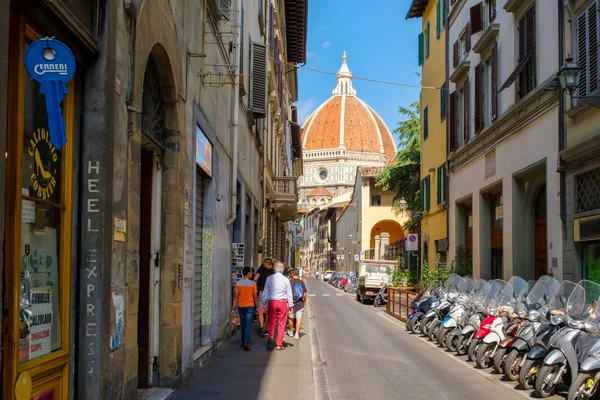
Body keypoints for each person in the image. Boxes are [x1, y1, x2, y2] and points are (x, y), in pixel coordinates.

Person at [260, 261, 293, 351]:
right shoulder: (286, 279)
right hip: (282, 302)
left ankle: (271, 336)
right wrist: (290, 306)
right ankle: (279, 344)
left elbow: (265, 291)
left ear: (274, 269)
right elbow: (289, 293)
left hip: (272, 302)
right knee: (282, 323)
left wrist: (263, 303)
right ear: (282, 270)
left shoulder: (269, 278)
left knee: (271, 322)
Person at [231, 267, 258, 351]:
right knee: (248, 325)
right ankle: (246, 342)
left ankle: (243, 341)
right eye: (251, 272)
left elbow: (235, 297)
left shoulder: (238, 284)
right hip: (250, 306)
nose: (251, 274)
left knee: (243, 324)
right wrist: (257, 307)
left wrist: (232, 308)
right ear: (248, 273)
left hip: (241, 306)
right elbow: (255, 297)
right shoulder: (253, 283)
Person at [254, 257, 274, 337]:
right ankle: (267, 328)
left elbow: (255, 278)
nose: (263, 264)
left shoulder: (261, 270)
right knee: (269, 311)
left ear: (266, 263)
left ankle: (262, 327)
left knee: (261, 311)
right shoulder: (273, 272)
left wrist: (256, 287)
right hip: (271, 293)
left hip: (262, 291)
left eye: (264, 263)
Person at [287, 269, 307, 340]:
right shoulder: (301, 282)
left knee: (291, 318)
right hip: (300, 303)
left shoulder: (289, 282)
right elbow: (305, 293)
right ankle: (297, 334)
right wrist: (304, 301)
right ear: (298, 274)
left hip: (290, 304)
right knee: (298, 319)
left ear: (292, 274)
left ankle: (291, 331)